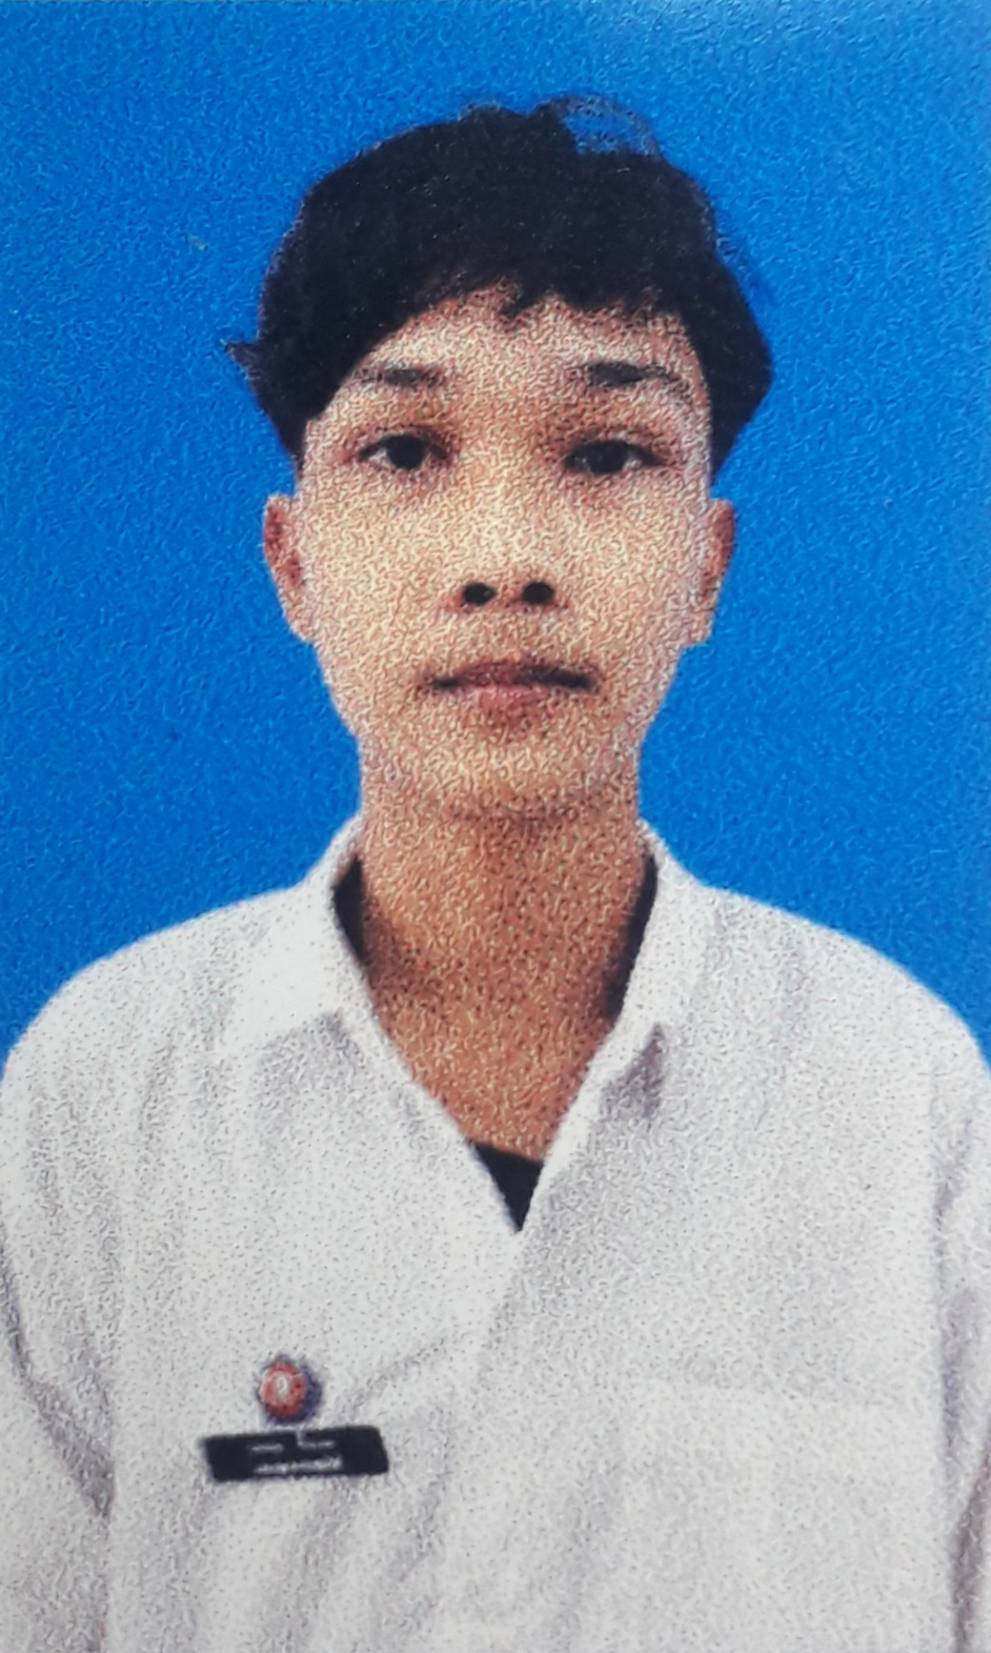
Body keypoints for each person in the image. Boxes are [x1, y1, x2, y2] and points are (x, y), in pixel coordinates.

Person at [1, 95, 988, 1653]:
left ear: (709, 566)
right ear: (294, 563)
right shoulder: (105, 1097)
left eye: (607, 452)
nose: (505, 556)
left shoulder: (905, 1100)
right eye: (405, 449)